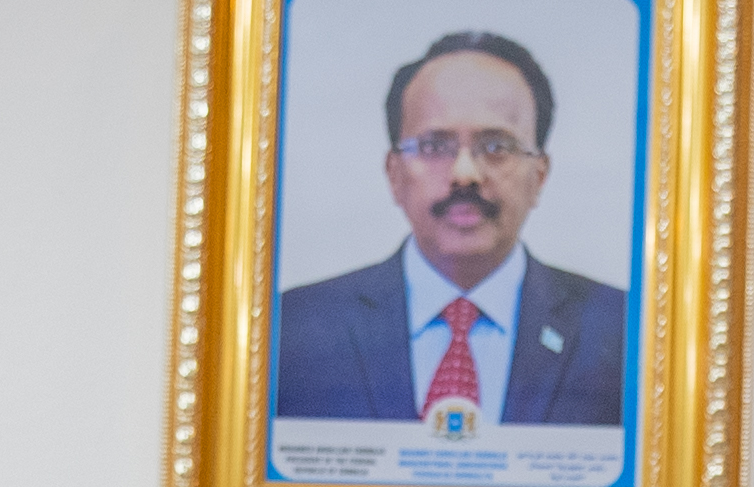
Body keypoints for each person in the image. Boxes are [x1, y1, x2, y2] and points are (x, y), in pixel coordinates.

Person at [268, 30, 630, 431]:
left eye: (496, 147)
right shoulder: (293, 330)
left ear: (540, 176)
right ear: (394, 174)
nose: (464, 174)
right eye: (434, 146)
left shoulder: (624, 332)